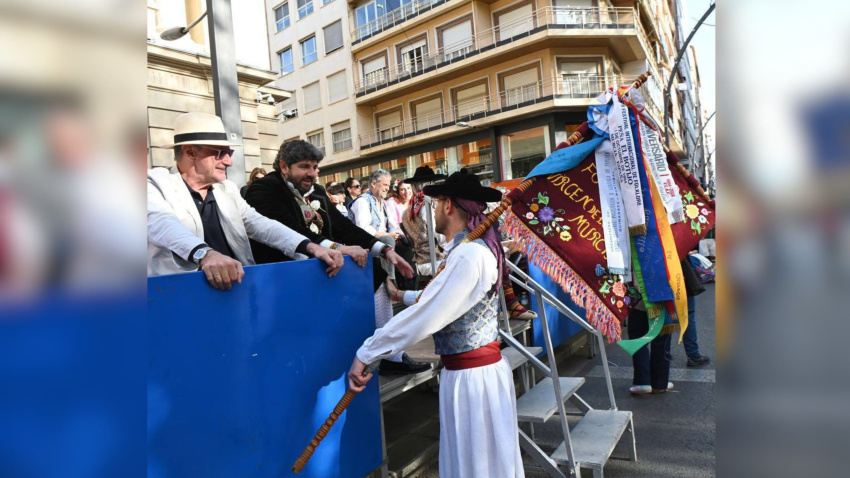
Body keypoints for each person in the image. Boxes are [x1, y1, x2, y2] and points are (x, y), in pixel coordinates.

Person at [348, 169, 524, 478]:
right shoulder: (470, 250)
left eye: (437, 201)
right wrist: (401, 294)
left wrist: (368, 352)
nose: (432, 209)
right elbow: (443, 298)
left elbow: (429, 314)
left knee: (478, 466)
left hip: (474, 380)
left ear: (448, 206)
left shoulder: (470, 254)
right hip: (472, 375)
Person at [245, 140, 429, 375]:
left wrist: (384, 250)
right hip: (285, 275)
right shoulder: (265, 189)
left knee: (377, 274)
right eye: (304, 167)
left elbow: (343, 226)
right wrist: (336, 247)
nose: (311, 173)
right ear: (283, 166)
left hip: (323, 267)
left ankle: (389, 355)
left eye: (314, 167)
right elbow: (286, 231)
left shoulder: (318, 191)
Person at [147, 112, 343, 290]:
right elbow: (162, 224)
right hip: (177, 297)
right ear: (190, 152)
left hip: (235, 292)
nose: (228, 161)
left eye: (229, 153)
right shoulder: (154, 183)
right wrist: (205, 255)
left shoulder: (226, 189)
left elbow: (260, 224)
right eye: (219, 153)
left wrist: (310, 246)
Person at [349, 169, 408, 281]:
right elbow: (364, 229)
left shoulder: (383, 202)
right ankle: (390, 280)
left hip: (380, 239)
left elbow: (392, 223)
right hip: (364, 242)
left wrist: (397, 233)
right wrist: (388, 234)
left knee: (406, 243)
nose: (387, 188)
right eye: (385, 185)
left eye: (388, 185)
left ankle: (406, 279)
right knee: (387, 239)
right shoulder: (362, 201)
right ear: (374, 184)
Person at [628, 304, 674, 394]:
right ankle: (660, 383)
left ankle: (642, 382)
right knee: (661, 340)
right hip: (661, 302)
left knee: (638, 339)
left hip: (638, 303)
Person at [682, 255, 711, 367]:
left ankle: (664, 354)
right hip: (682, 274)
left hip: (661, 271)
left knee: (665, 317)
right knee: (688, 316)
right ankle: (693, 354)